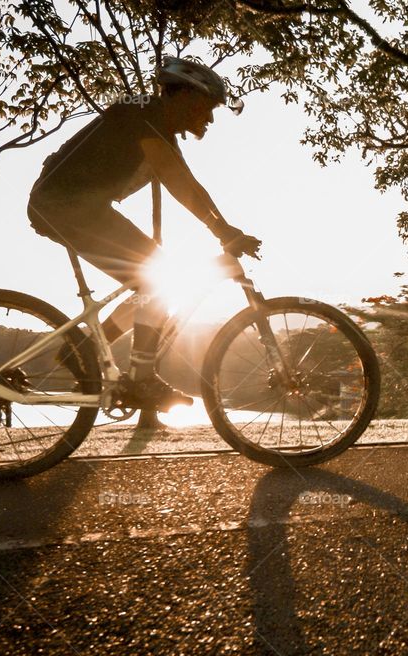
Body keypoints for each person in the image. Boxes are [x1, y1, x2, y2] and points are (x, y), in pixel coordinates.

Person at [27, 57, 260, 411]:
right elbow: (178, 181)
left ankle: (85, 351)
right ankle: (142, 379)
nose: (209, 119)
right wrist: (222, 230)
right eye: (206, 107)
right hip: (66, 206)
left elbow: (187, 182)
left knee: (151, 283)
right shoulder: (145, 113)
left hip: (72, 206)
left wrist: (224, 228)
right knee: (158, 278)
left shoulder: (154, 122)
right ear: (183, 95)